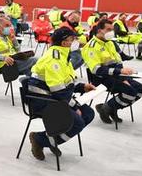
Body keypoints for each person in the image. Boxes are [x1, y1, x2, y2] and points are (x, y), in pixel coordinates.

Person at [27, 27, 96, 160]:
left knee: (88, 113)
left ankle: (49, 139)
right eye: (73, 39)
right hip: (43, 100)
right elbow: (58, 91)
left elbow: (65, 83)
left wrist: (82, 87)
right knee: (77, 122)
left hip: (54, 97)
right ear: (64, 43)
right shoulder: (55, 58)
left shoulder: (64, 56)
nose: (76, 42)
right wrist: (74, 107)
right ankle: (40, 139)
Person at [82, 19, 142, 124]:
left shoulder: (110, 43)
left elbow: (118, 62)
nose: (111, 32)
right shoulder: (91, 47)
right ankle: (108, 108)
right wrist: (120, 72)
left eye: (112, 29)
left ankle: (109, 108)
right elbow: (96, 70)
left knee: (140, 89)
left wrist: (123, 77)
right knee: (131, 92)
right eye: (108, 29)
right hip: (101, 79)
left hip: (116, 76)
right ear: (99, 30)